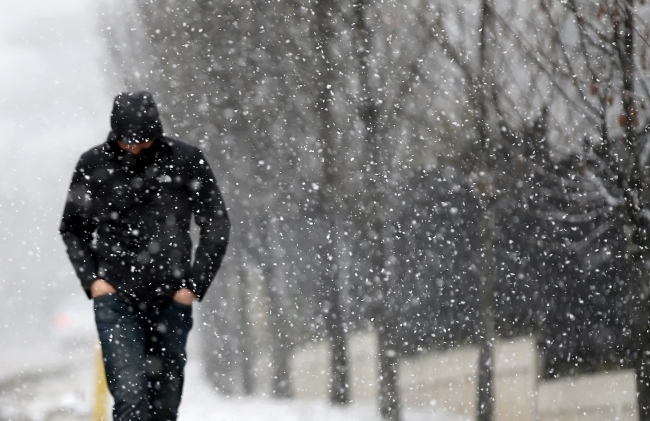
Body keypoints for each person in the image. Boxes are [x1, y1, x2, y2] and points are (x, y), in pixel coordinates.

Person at [60, 91, 230, 421]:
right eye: (128, 141)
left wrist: (195, 285)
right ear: (115, 133)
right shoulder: (93, 166)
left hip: (171, 299)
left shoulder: (186, 160)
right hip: (116, 300)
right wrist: (93, 281)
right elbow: (73, 229)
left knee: (165, 407)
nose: (135, 148)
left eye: (143, 140)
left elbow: (216, 223)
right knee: (130, 400)